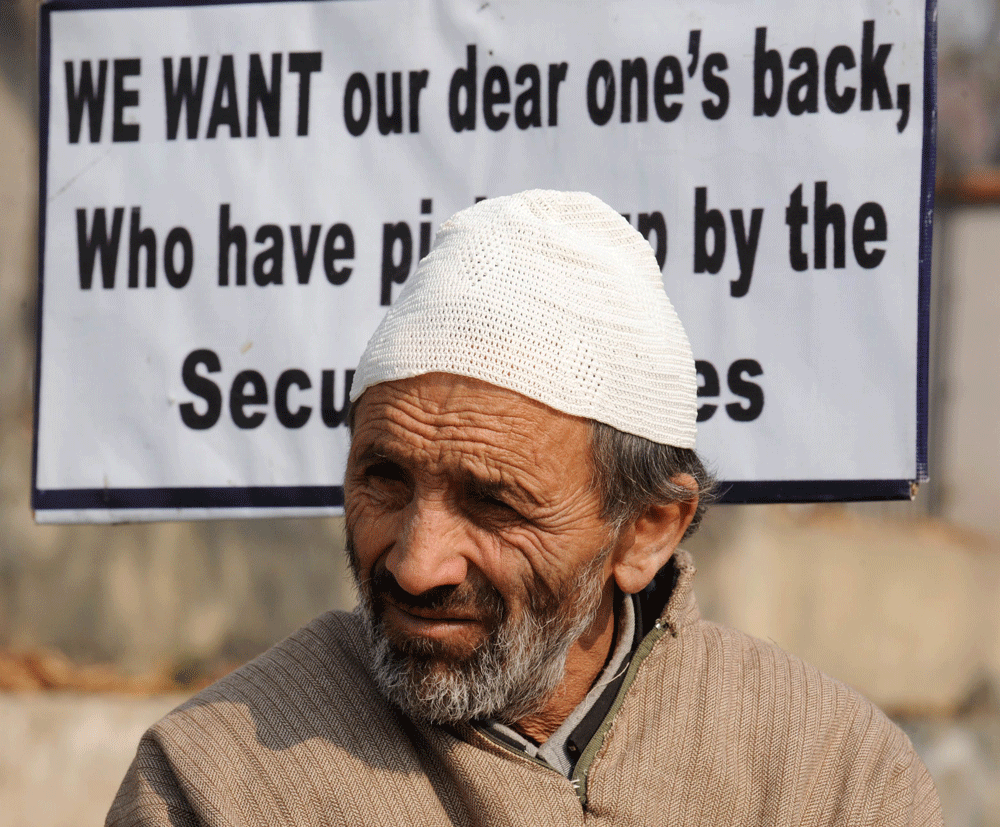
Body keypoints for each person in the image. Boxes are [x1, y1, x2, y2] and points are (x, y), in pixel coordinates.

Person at [107, 190, 942, 826]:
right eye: (385, 478)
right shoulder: (215, 781)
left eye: (494, 501)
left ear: (647, 529)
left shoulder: (827, 770)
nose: (414, 562)